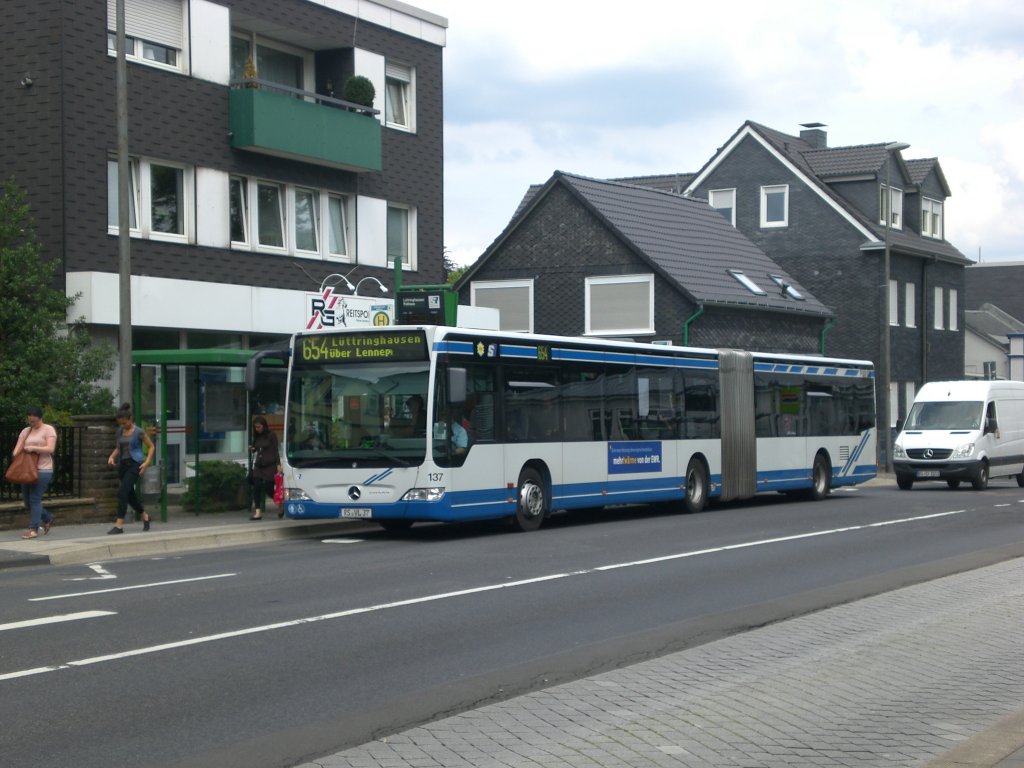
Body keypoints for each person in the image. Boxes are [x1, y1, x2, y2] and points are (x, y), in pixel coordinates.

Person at [106, 402, 154, 534]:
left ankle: (119, 525)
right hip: (123, 464)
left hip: (135, 464)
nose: (123, 426)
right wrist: (111, 457)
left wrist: (146, 462)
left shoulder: (139, 432)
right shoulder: (119, 432)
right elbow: (118, 448)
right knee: (129, 494)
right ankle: (145, 516)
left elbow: (151, 446)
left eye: (125, 423)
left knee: (122, 493)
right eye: (120, 424)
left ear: (130, 419)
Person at [12, 406, 57, 540]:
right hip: (27, 469)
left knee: (35, 499)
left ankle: (33, 529)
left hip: (43, 469)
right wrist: (18, 452)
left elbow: (50, 448)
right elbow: (17, 450)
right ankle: (48, 517)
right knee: (27, 502)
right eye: (30, 421)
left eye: (34, 421)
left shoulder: (48, 430)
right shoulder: (26, 431)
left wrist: (33, 448)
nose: (32, 423)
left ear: (40, 418)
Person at [249, 415, 281, 520]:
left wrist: (278, 464)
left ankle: (280, 504)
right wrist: (252, 449)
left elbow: (275, 450)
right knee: (257, 486)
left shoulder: (271, 435)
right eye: (255, 427)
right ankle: (258, 512)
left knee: (269, 488)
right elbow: (255, 448)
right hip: (259, 465)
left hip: (270, 465)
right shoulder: (257, 436)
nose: (257, 429)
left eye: (259, 427)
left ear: (264, 426)